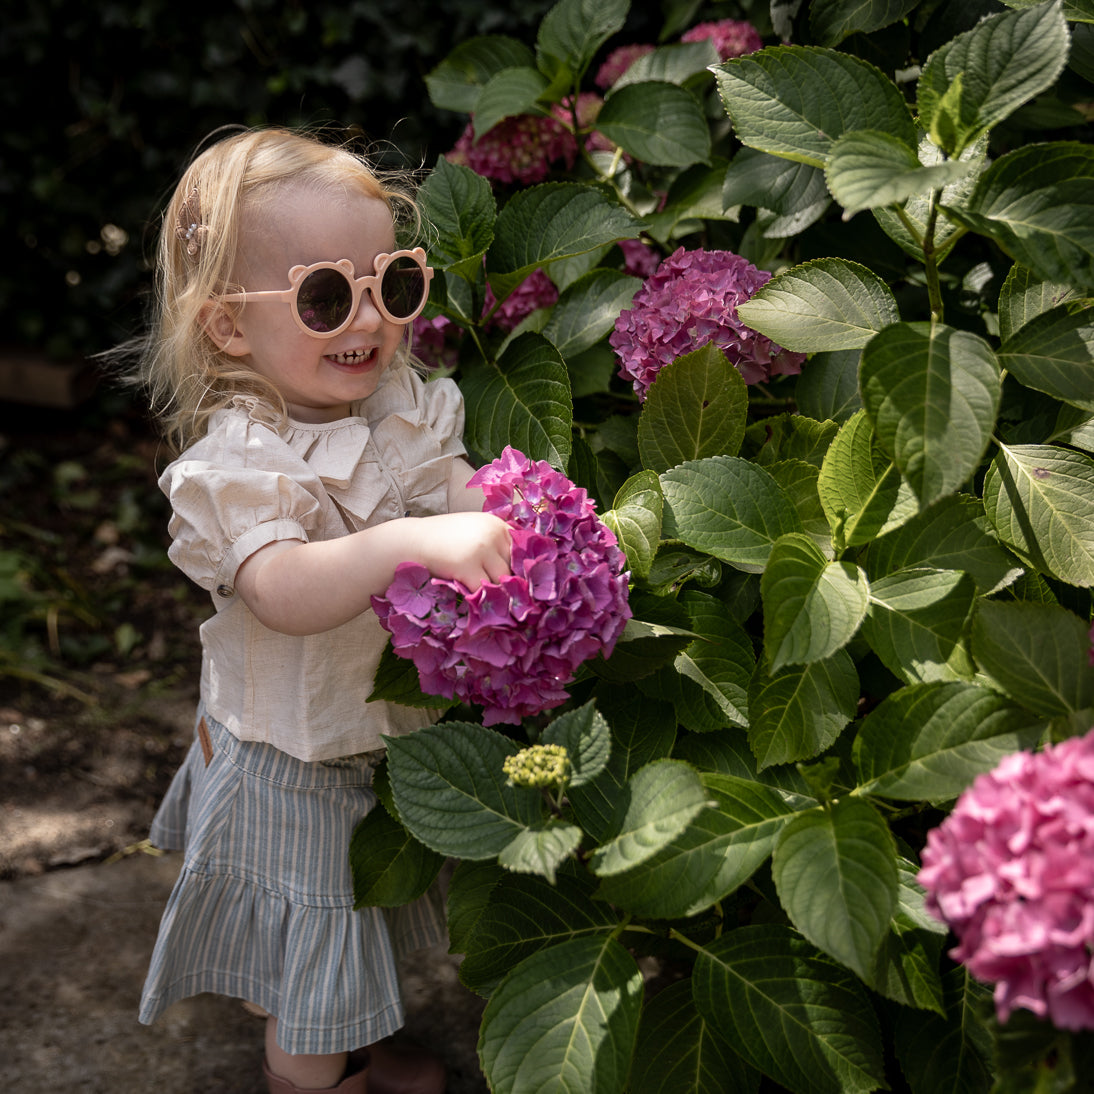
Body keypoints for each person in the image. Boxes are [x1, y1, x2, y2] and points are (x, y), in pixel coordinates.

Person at [134, 126, 511, 1093]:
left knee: (354, 930)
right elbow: (284, 590)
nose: (370, 320)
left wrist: (512, 519)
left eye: (393, 284)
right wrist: (407, 544)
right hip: (291, 764)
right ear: (227, 325)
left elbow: (453, 482)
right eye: (325, 297)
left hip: (380, 737)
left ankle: (364, 1047)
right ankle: (319, 1075)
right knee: (311, 978)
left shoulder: (398, 405)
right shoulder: (237, 469)